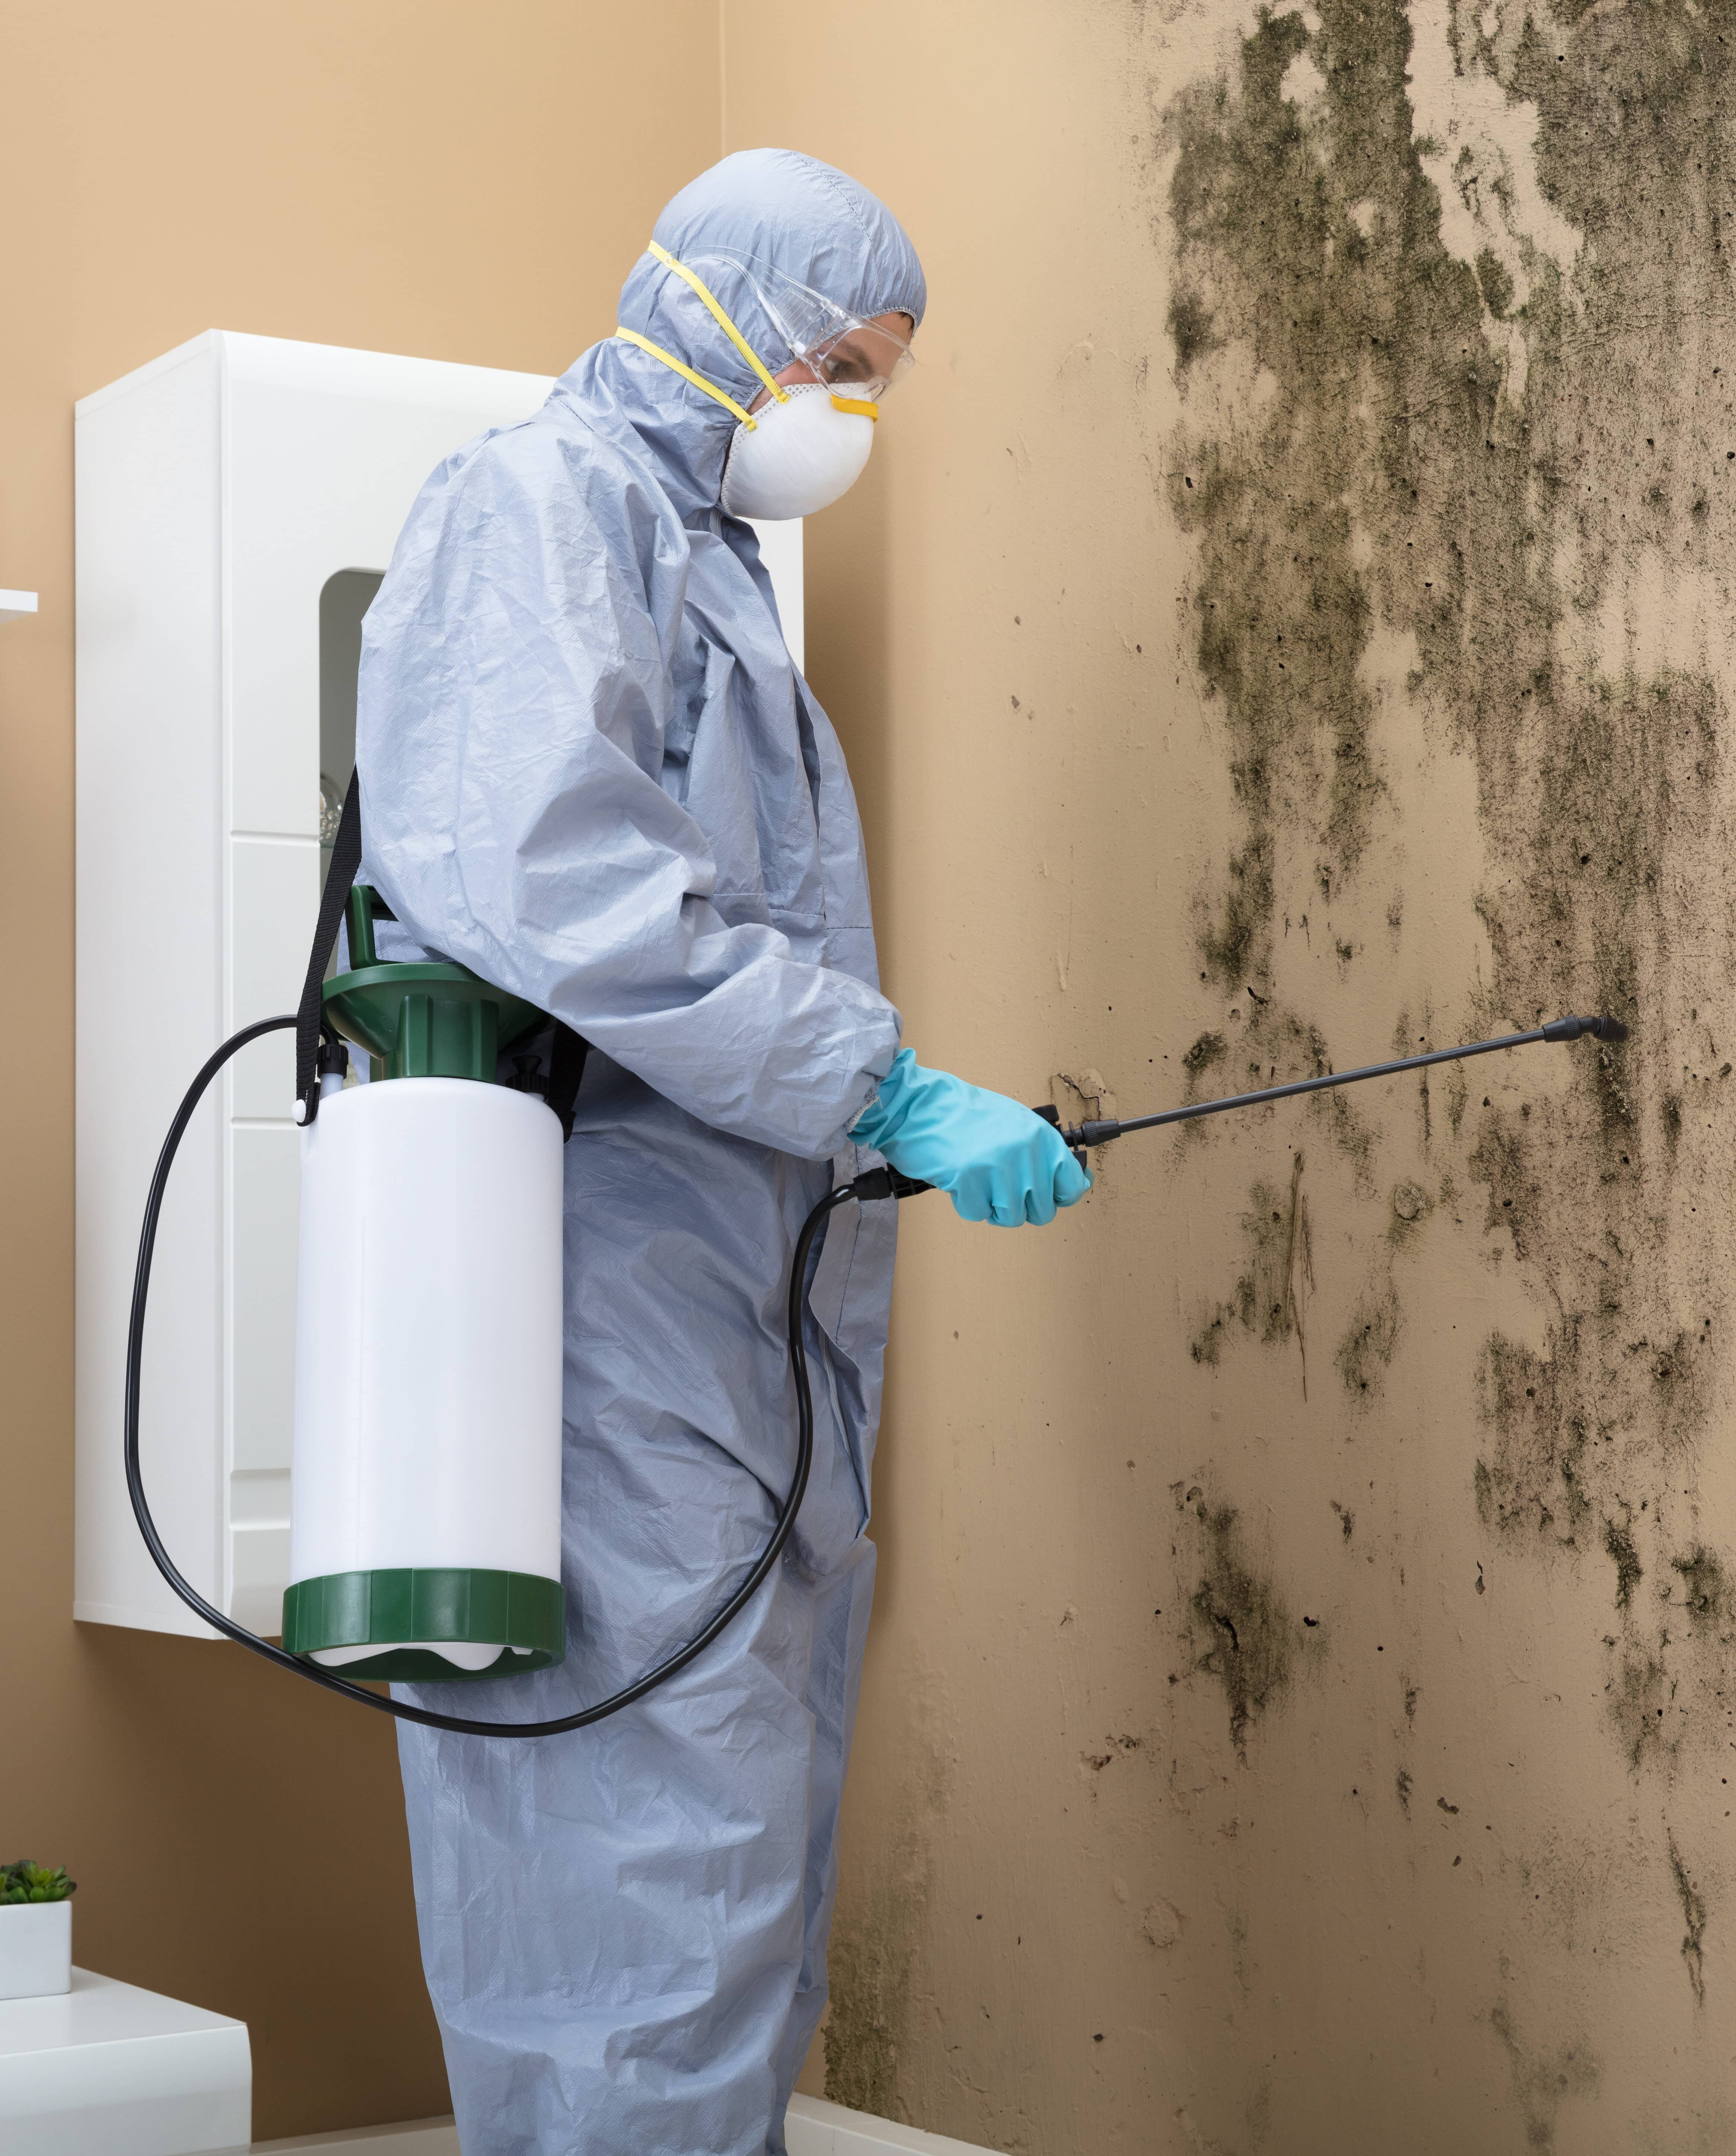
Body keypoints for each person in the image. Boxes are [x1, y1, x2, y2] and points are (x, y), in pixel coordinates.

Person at [355, 147, 1089, 2156]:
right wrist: (880, 1086)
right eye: (837, 361)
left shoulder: (698, 564)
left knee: (727, 1840)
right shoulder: (540, 506)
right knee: (639, 1855)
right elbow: (551, 875)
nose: (849, 413)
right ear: (718, 311)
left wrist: (868, 1126)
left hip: (715, 1309)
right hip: (597, 1310)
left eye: (878, 379)